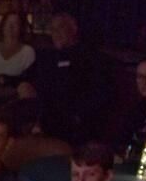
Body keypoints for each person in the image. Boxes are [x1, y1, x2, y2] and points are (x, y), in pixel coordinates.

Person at [18, 13, 106, 143]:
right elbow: (25, 76)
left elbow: (99, 92)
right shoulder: (47, 56)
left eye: (60, 28)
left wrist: (77, 116)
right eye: (53, 29)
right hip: (41, 114)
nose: (56, 33)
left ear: (74, 29)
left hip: (70, 121)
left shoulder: (89, 57)